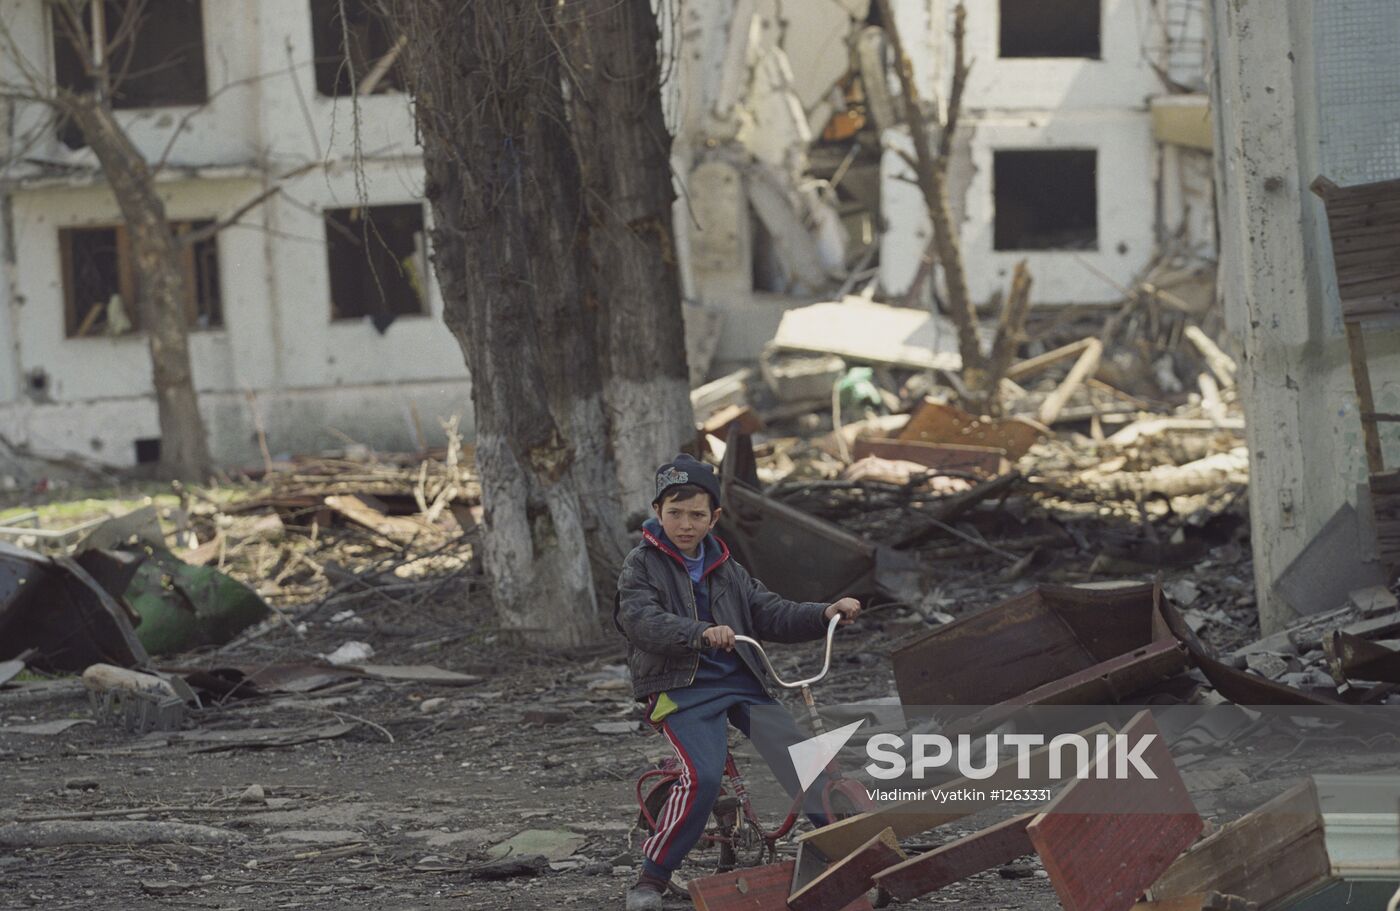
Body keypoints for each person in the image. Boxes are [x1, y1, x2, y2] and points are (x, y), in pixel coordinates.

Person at [615, 454, 861, 910]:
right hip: (679, 688)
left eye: (696, 514)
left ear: (714, 517)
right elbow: (640, 619)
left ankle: (848, 850)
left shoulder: (727, 567)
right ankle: (651, 876)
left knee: (802, 756)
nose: (684, 524)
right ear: (657, 511)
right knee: (703, 774)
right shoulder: (642, 564)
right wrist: (698, 632)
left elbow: (770, 611)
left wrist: (823, 612)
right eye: (674, 513)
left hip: (740, 681)